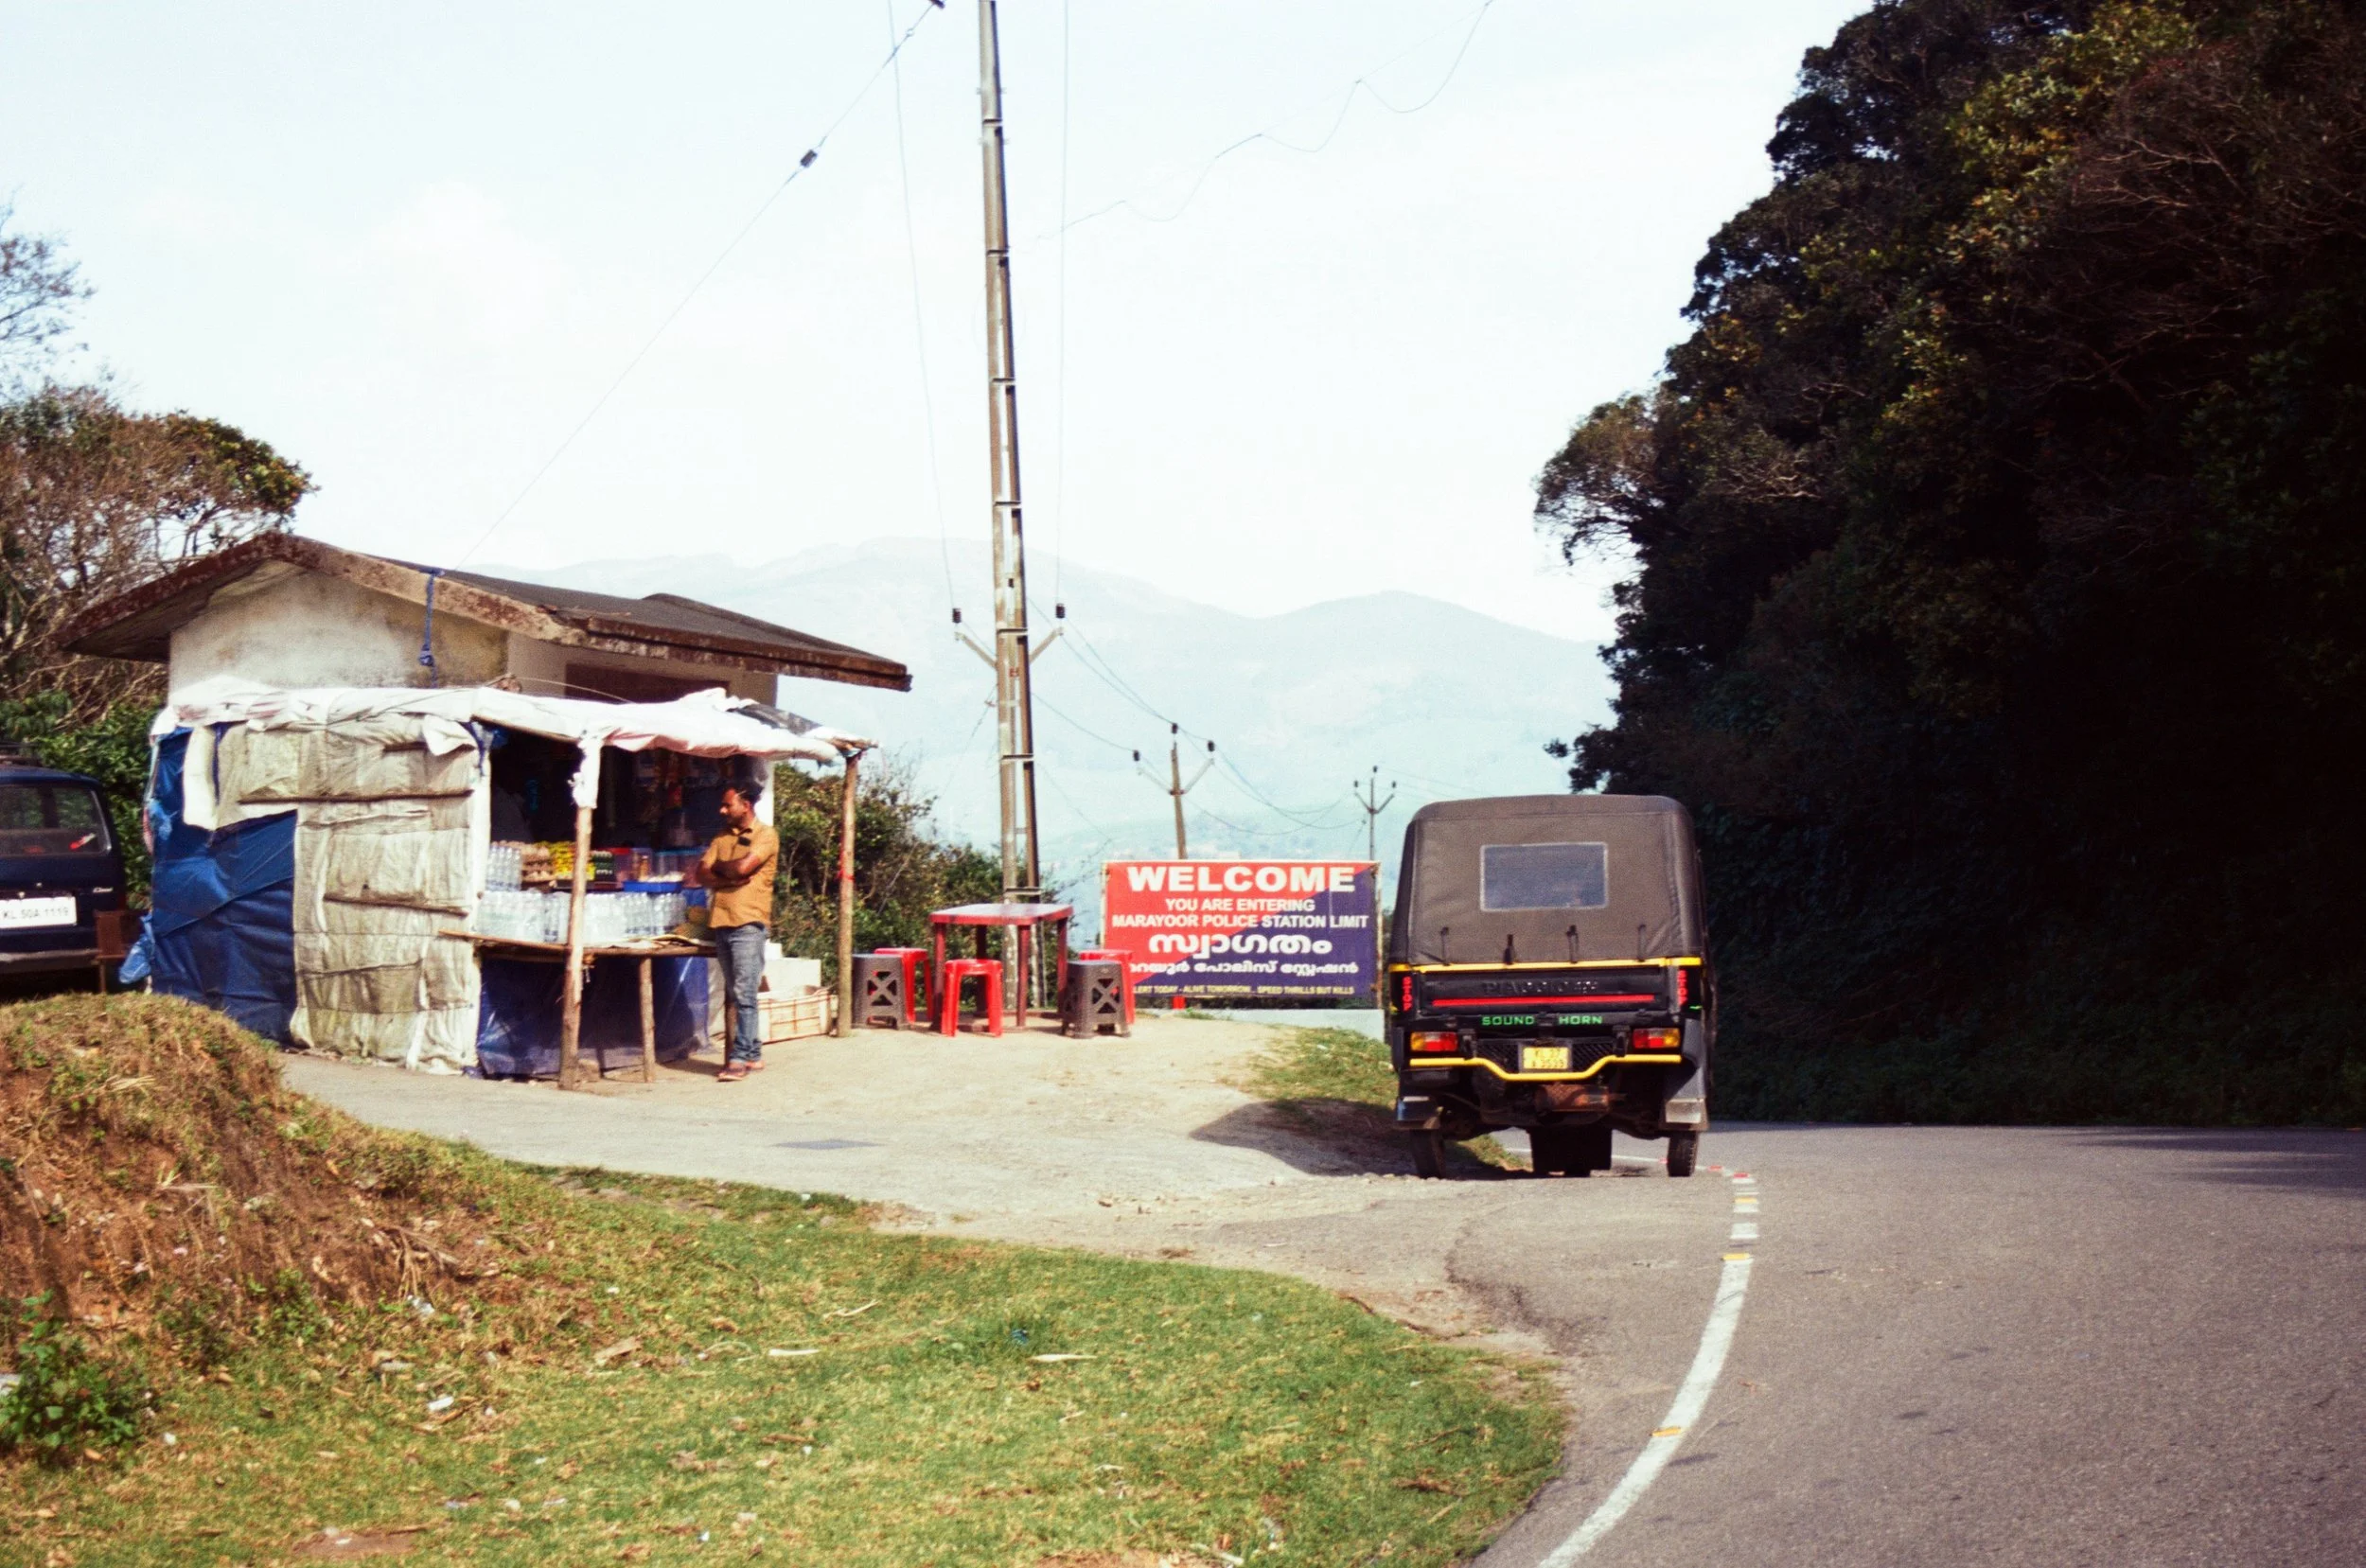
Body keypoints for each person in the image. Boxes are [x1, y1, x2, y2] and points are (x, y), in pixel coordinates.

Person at [690, 778, 778, 1083]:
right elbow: (701, 873)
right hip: (722, 922)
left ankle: (739, 1058)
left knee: (744, 992)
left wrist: (724, 869)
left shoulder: (766, 836)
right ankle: (753, 1055)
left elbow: (744, 868)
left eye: (729, 804)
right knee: (737, 991)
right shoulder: (721, 837)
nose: (722, 809)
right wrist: (727, 875)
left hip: (748, 923)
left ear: (746, 805)